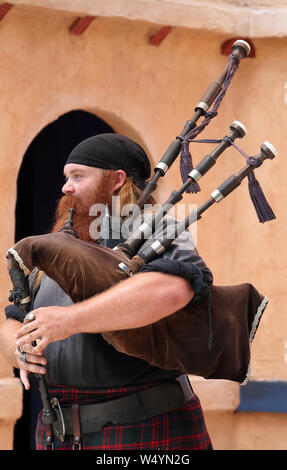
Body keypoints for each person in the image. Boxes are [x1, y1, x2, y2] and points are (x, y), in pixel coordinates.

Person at [0, 133, 213, 450]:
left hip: (144, 429)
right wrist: (19, 349)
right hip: (58, 432)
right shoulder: (58, 245)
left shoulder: (155, 228)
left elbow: (172, 291)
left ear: (117, 180)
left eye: (77, 176)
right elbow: (14, 318)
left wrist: (69, 321)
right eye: (66, 177)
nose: (66, 187)